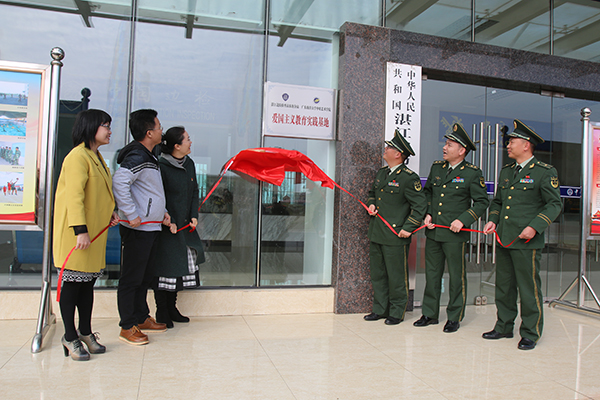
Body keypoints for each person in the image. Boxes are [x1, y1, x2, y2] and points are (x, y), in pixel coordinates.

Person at [482, 119, 562, 350]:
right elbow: (498, 202)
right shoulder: (507, 171)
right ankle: (503, 326)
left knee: (528, 288)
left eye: (512, 142)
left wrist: (535, 226)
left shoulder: (544, 172)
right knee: (504, 287)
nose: (508, 145)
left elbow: (554, 204)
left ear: (526, 145)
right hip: (505, 238)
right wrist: (493, 220)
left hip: (527, 240)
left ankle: (530, 332)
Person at [53, 109, 119, 360]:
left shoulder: (96, 157)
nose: (109, 131)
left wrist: (110, 212)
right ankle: (69, 336)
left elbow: (99, 194)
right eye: (106, 125)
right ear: (91, 127)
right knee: (72, 286)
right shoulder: (77, 157)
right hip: (77, 235)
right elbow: (74, 197)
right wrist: (80, 230)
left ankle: (85, 332)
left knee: (86, 286)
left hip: (94, 235)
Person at [414, 123, 489, 333]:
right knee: (432, 274)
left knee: (456, 277)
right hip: (434, 231)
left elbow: (482, 202)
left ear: (462, 150)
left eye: (449, 145)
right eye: (445, 144)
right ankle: (429, 314)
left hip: (456, 235)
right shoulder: (437, 167)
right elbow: (428, 192)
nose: (444, 148)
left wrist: (463, 220)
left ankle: (454, 316)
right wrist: (428, 213)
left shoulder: (472, 173)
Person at [113, 109, 171, 345]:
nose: (161, 131)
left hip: (151, 227)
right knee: (131, 279)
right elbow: (120, 181)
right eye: (159, 127)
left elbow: (148, 190)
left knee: (144, 277)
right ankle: (127, 326)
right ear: (149, 133)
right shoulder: (137, 156)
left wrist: (162, 212)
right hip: (138, 229)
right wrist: (131, 213)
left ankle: (141, 317)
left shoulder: (149, 156)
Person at [364, 129, 427, 325]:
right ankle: (380, 309)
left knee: (396, 276)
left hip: (395, 235)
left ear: (398, 154)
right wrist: (371, 204)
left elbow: (420, 206)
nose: (385, 149)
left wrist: (409, 227)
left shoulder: (409, 177)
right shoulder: (382, 173)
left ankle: (397, 311)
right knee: (378, 274)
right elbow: (372, 194)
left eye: (389, 147)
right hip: (377, 232)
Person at [153, 126, 205, 328]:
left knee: (179, 268)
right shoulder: (161, 166)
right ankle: (161, 311)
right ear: (176, 145)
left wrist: (193, 215)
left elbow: (194, 191)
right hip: (167, 227)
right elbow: (158, 196)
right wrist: (168, 219)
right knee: (165, 269)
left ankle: (172, 308)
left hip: (184, 228)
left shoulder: (189, 163)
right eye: (187, 139)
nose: (190, 142)